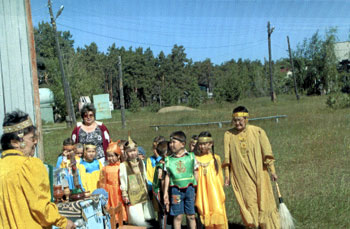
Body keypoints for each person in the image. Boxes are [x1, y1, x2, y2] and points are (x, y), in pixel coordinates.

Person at [0, 110, 75, 228]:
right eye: (31, 138)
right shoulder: (29, 165)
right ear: (15, 142)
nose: (35, 142)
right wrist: (63, 222)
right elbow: (40, 207)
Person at [223, 106, 280, 229]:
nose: (237, 123)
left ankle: (268, 226)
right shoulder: (228, 135)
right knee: (249, 202)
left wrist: (273, 171)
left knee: (264, 200)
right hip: (241, 176)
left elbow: (267, 152)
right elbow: (227, 158)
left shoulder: (258, 132)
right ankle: (253, 225)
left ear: (246, 119)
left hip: (259, 173)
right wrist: (227, 176)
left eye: (240, 120)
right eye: (235, 121)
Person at [164, 131, 198, 229]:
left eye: (174, 142)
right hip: (175, 191)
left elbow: (195, 172)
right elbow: (167, 176)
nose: (171, 144)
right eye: (170, 142)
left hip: (190, 190)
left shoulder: (191, 157)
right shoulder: (169, 160)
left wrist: (197, 189)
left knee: (191, 215)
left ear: (182, 144)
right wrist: (166, 192)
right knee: (178, 216)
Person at [119, 136, 155, 227]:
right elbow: (123, 180)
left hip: (143, 191)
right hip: (132, 192)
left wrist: (147, 188)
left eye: (134, 151)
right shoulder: (124, 165)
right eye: (130, 152)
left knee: (146, 213)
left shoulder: (141, 162)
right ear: (126, 153)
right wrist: (124, 193)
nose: (132, 153)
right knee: (137, 215)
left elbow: (145, 176)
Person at [195, 131, 228, 229]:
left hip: (215, 192)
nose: (202, 146)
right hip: (202, 191)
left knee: (216, 210)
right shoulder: (196, 158)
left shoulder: (216, 158)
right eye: (200, 144)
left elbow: (220, 178)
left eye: (205, 144)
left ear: (211, 144)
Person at [99, 141, 127, 223]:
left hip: (119, 190)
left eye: (112, 156)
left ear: (118, 156)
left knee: (119, 204)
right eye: (108, 156)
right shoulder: (105, 168)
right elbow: (102, 182)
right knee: (111, 206)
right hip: (109, 191)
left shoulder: (121, 166)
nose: (110, 158)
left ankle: (122, 219)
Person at [152, 141, 173, 229]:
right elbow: (162, 180)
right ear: (166, 153)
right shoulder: (161, 165)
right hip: (161, 191)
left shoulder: (163, 162)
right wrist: (165, 194)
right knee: (164, 213)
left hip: (166, 191)